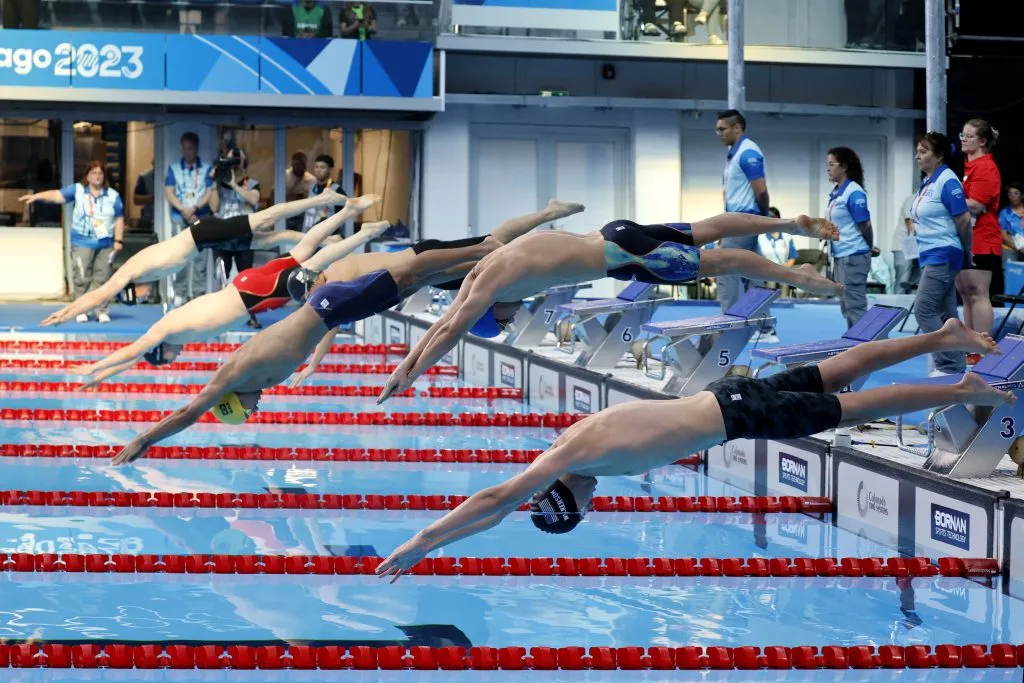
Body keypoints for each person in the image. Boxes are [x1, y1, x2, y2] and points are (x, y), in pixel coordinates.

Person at [376, 319, 1008, 579]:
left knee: (851, 404)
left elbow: (496, 502)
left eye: (580, 515)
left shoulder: (570, 461)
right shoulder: (569, 446)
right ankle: (939, 336)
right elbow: (503, 506)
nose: (593, 512)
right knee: (837, 372)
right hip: (727, 397)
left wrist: (423, 542)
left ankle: (959, 384)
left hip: (739, 413)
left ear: (568, 503)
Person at [108, 202, 576, 465]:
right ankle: (491, 254)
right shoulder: (255, 376)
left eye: (244, 412)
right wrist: (314, 362)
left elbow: (190, 412)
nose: (255, 409)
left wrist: (145, 441)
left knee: (432, 267)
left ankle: (499, 247)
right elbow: (316, 330)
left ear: (232, 402)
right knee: (427, 275)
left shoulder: (235, 376)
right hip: (332, 311)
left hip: (333, 306)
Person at [377, 212, 842, 403]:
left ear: (490, 309)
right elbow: (444, 322)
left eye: (505, 318)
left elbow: (453, 329)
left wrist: (410, 375)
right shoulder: (482, 273)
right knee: (703, 228)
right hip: (613, 234)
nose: (514, 316)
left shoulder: (491, 285)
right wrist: (406, 364)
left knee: (723, 260)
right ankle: (788, 224)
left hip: (620, 256)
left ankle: (798, 276)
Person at [71, 196, 382, 387]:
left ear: (161, 350)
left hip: (252, 297)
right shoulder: (170, 332)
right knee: (302, 253)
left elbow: (132, 351)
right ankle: (347, 212)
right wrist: (101, 376)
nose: (172, 360)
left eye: (166, 360)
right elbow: (135, 359)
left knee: (314, 262)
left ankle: (364, 232)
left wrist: (94, 366)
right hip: (244, 286)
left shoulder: (167, 331)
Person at [38, 191, 348, 327]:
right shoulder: (135, 274)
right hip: (204, 241)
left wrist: (65, 313)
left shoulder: (127, 274)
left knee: (264, 219)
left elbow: (97, 295)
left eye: (139, 296)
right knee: (270, 238)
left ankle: (321, 200)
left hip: (202, 234)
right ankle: (329, 239)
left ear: (132, 290)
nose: (146, 294)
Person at [20, 161, 124, 324]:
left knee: (103, 278)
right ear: (88, 176)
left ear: (104, 176)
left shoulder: (112, 196)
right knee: (81, 278)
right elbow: (56, 195)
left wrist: (118, 240)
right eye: (94, 173)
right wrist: (37, 196)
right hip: (82, 242)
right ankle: (80, 310)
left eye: (100, 173)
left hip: (105, 244)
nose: (97, 176)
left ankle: (101, 310)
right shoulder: (78, 190)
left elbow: (119, 218)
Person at [910, 131, 972, 377]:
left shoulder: (947, 180)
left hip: (943, 253)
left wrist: (965, 251)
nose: (918, 157)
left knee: (923, 310)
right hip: (931, 254)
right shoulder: (928, 182)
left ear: (939, 156)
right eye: (917, 151)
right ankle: (956, 366)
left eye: (923, 152)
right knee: (946, 315)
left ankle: (949, 364)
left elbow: (964, 219)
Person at [956, 118, 1003, 360]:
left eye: (969, 136)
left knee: (978, 293)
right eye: (962, 135)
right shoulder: (967, 169)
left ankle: (983, 347)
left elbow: (976, 205)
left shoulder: (986, 167)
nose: (963, 140)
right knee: (965, 294)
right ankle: (971, 346)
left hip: (983, 239)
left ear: (982, 141)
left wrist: (945, 201)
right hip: (965, 239)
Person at [715, 110, 770, 312]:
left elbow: (762, 192)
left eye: (722, 129)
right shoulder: (734, 155)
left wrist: (762, 218)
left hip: (744, 220)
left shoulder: (748, 153)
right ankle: (764, 326)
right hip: (736, 221)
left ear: (737, 128)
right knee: (754, 273)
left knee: (723, 267)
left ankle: (728, 322)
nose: (718, 133)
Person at [826, 147, 873, 329]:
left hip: (853, 255)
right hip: (841, 255)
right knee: (846, 306)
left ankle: (869, 349)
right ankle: (855, 345)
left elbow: (865, 225)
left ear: (844, 167)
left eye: (831, 165)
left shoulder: (853, 192)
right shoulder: (837, 192)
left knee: (855, 306)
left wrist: (869, 246)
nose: (828, 169)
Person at [165, 132, 213, 305]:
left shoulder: (207, 168)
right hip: (180, 216)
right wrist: (183, 209)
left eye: (190, 148)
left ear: (196, 148)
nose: (187, 152)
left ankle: (198, 293)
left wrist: (194, 208)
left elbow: (209, 192)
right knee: (181, 255)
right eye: (184, 148)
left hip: (200, 215)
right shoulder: (174, 168)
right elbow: (169, 192)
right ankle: (180, 292)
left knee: (200, 257)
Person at [209, 147, 260, 282]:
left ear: (245, 163)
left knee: (246, 276)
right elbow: (214, 207)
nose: (234, 163)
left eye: (237, 160)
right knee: (222, 275)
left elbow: (254, 199)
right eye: (231, 159)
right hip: (222, 235)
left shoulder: (251, 183)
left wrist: (234, 185)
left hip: (244, 235)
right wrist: (215, 181)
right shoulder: (219, 185)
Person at [892, 191, 920, 294]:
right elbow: (910, 225)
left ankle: (911, 309)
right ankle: (895, 308)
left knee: (916, 283)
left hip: (918, 245)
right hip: (904, 244)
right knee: (902, 281)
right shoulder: (912, 199)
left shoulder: (928, 201)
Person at [999, 181, 1024, 265]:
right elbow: (1003, 234)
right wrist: (1019, 247)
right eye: (1010, 194)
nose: (1013, 196)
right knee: (1011, 275)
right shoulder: (1004, 213)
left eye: (1016, 193)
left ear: (1022, 195)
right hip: (1010, 247)